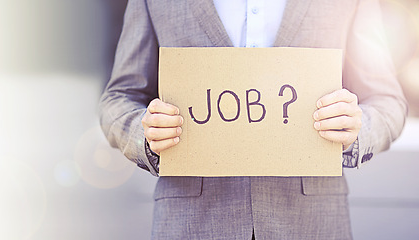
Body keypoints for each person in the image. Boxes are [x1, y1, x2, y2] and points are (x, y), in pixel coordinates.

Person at [99, 0, 407, 239]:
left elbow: (388, 102)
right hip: (192, 223)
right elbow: (118, 98)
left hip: (310, 223)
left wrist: (357, 126)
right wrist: (144, 130)